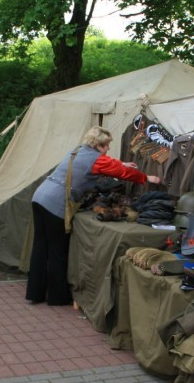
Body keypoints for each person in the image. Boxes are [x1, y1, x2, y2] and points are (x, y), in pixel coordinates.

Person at [27, 126, 161, 305]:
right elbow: (119, 172)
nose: (107, 149)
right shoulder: (97, 159)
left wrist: (120, 163)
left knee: (40, 247)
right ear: (98, 145)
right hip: (55, 204)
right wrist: (146, 178)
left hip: (40, 197)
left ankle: (35, 293)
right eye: (106, 146)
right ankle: (57, 297)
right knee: (57, 251)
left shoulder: (79, 150)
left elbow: (106, 164)